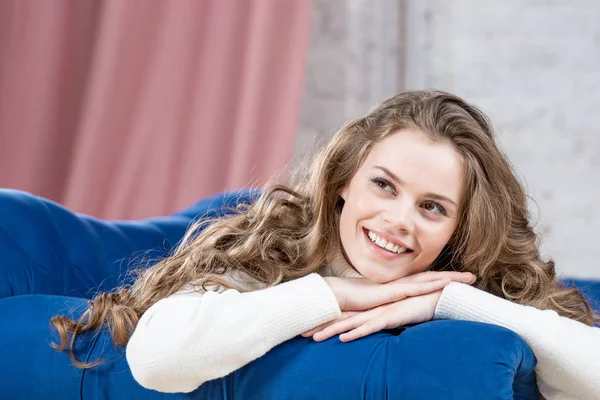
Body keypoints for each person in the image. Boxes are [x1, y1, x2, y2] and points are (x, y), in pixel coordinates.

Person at [51, 90, 600, 399]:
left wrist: (444, 302)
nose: (399, 220)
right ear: (342, 184)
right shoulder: (275, 249)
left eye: (432, 207)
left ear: (460, 228)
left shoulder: (468, 278)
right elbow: (155, 359)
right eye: (383, 185)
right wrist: (335, 293)